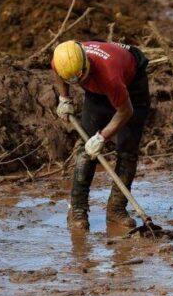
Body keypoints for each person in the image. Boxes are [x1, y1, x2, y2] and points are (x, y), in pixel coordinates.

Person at [52, 40, 150, 231]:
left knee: (127, 151)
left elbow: (125, 111)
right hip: (97, 88)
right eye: (72, 80)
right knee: (85, 149)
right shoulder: (63, 59)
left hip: (131, 87)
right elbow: (57, 72)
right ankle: (77, 209)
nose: (76, 84)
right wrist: (64, 98)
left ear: (86, 64)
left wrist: (102, 137)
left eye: (79, 79)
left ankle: (116, 209)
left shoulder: (109, 75)